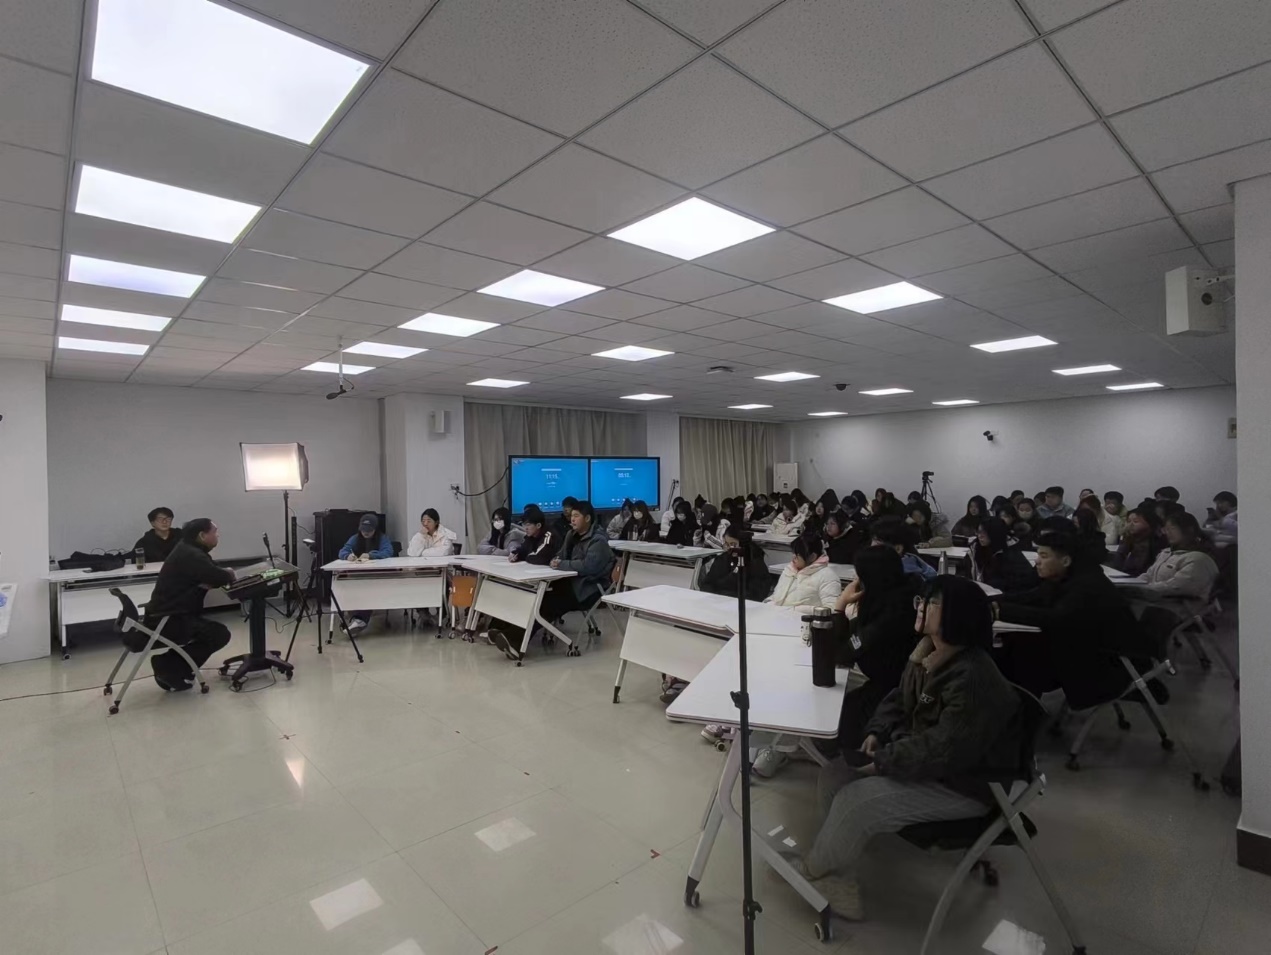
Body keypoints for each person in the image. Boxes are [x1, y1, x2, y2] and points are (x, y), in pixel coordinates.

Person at [800, 576, 1022, 921]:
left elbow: (944, 749)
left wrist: (883, 762)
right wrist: (877, 732)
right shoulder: (927, 652)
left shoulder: (973, 677)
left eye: (932, 602)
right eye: (922, 599)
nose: (920, 606)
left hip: (965, 784)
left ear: (959, 615)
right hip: (929, 763)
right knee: (833, 775)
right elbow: (898, 698)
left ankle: (815, 872)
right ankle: (838, 867)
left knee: (855, 800)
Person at [994, 530, 1135, 709]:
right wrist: (992, 600)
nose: (1037, 561)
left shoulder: (1087, 584)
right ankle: (1019, 707)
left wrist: (999, 611)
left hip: (1109, 665)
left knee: (1021, 653)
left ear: (1066, 561)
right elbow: (1031, 597)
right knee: (1016, 647)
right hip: (1084, 650)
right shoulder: (1066, 576)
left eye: (1044, 556)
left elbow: (1056, 618)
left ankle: (1023, 711)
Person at [832, 546, 920, 751]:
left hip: (893, 691)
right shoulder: (898, 596)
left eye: (859, 575)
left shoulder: (892, 614)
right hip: (885, 682)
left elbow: (844, 653)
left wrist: (840, 605)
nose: (855, 580)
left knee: (838, 712)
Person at [144, 518, 235, 691]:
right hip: (168, 619)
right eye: (214, 532)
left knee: (213, 631)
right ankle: (168, 665)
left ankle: (170, 665)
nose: (217, 536)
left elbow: (211, 572)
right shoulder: (191, 555)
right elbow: (219, 576)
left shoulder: (188, 549)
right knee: (218, 634)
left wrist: (215, 577)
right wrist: (228, 573)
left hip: (167, 614)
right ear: (202, 535)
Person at [543, 501, 615, 624]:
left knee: (546, 605)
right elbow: (561, 554)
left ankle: (522, 634)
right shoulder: (571, 535)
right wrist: (555, 560)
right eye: (571, 516)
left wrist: (561, 564)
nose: (572, 519)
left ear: (587, 518)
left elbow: (588, 566)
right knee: (539, 598)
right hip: (569, 583)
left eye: (576, 516)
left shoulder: (598, 540)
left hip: (587, 588)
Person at [1139, 511, 1220, 601]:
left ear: (1189, 530)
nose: (1168, 533)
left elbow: (1177, 586)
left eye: (1172, 528)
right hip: (1156, 600)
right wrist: (1134, 584)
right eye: (1166, 529)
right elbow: (1149, 575)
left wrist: (1144, 589)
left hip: (1178, 606)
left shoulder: (1199, 558)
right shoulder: (1166, 553)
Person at [338, 513, 394, 632]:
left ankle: (359, 620)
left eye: (369, 530)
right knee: (349, 587)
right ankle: (355, 618)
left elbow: (388, 552)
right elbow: (343, 551)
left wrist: (371, 555)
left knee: (369, 589)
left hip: (377, 576)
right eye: (363, 530)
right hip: (357, 574)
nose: (366, 533)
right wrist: (347, 556)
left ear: (375, 529)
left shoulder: (382, 538)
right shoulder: (355, 538)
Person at [766, 533, 843, 610]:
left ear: (812, 557)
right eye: (793, 553)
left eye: (798, 555)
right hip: (777, 614)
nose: (793, 557)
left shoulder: (827, 576)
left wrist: (795, 610)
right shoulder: (789, 570)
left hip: (800, 617)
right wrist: (767, 603)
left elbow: (831, 609)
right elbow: (776, 596)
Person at [970, 518, 1037, 593]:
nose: (980, 536)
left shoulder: (1011, 555)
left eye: (984, 532)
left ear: (995, 533)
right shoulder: (981, 549)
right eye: (979, 532)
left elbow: (1017, 584)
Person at [1110, 505, 1162, 576]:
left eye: (1136, 521)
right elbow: (1119, 559)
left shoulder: (1157, 541)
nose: (1131, 524)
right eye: (1128, 521)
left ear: (1150, 523)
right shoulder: (1130, 537)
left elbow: (1140, 567)